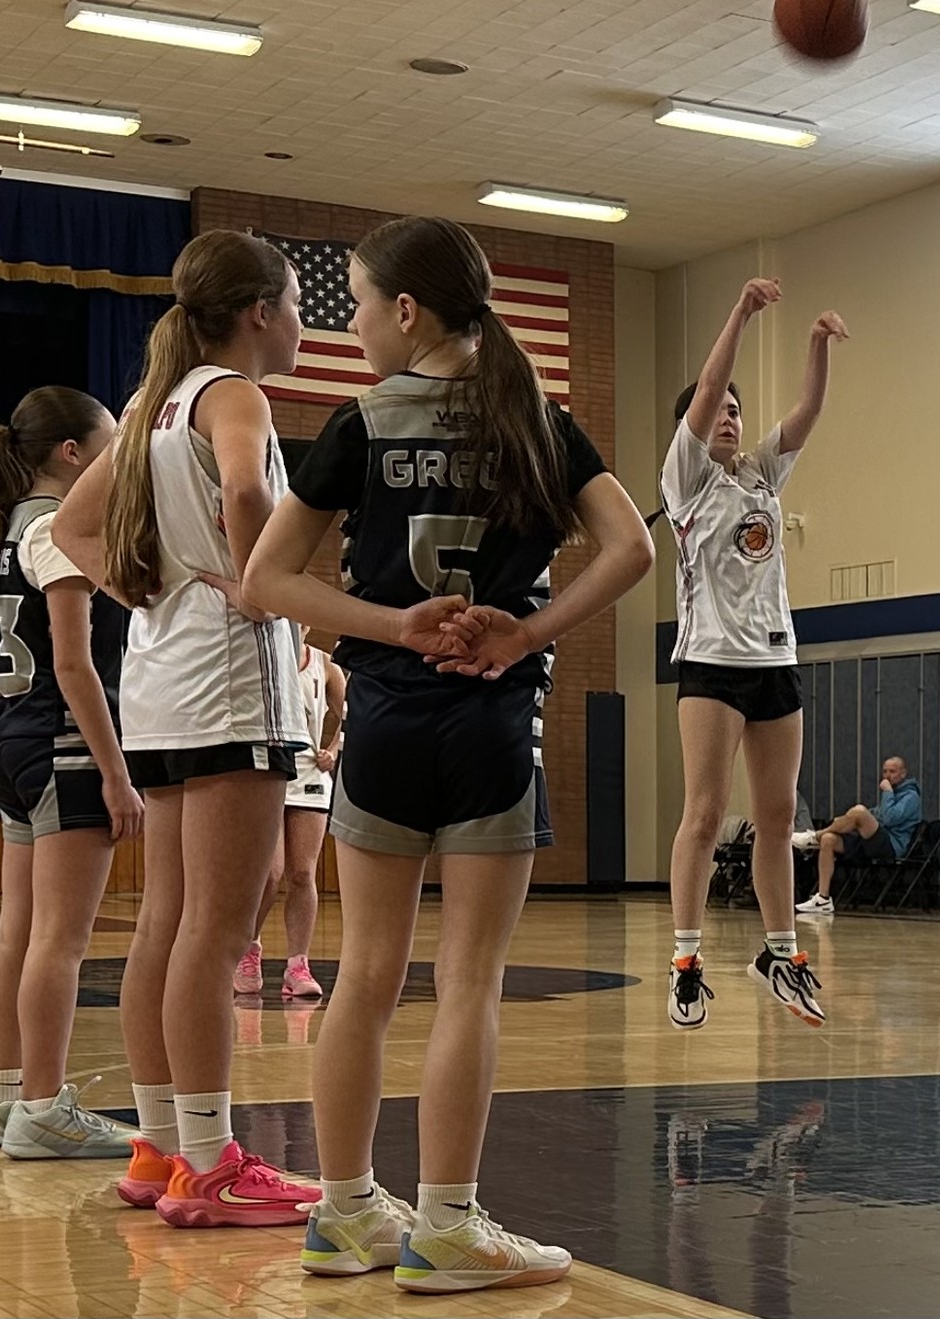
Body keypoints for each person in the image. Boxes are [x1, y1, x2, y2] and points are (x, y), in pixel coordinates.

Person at [241, 215, 652, 1288]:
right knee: (469, 980)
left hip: (382, 720)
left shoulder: (360, 422)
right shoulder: (539, 421)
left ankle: (343, 1215)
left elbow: (265, 581)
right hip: (490, 726)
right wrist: (527, 630)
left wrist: (394, 625)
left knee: (365, 976)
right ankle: (448, 1226)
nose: (356, 325)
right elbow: (632, 548)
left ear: (408, 310)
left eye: (361, 304)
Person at [53, 229, 319, 1224]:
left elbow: (69, 528)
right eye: (297, 306)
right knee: (215, 930)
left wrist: (143, 590)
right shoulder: (233, 393)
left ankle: (161, 1144)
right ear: (259, 313)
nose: (302, 325)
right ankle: (211, 1162)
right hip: (228, 683)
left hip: (159, 684)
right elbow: (247, 489)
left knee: (166, 924)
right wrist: (260, 580)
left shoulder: (148, 403)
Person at [661, 278, 846, 1031]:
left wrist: (816, 345)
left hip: (774, 662)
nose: (730, 417)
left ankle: (780, 954)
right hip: (710, 664)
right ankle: (685, 960)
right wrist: (739, 311)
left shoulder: (762, 474)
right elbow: (708, 387)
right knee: (705, 813)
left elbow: (808, 413)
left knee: (778, 814)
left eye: (739, 410)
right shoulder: (685, 479)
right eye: (720, 411)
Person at [0, 387, 142, 1160]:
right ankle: (43, 1106)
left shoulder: (9, 525)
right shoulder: (58, 527)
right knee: (60, 939)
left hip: (8, 737)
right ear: (73, 453)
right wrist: (116, 771)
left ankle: (2, 1096)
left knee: (17, 929)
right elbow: (74, 663)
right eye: (109, 444)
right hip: (60, 742)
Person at [237, 631, 344, 999]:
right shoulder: (261, 656)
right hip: (269, 769)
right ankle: (248, 947)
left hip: (310, 775)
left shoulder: (325, 664)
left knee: (302, 873)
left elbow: (352, 714)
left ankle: (298, 964)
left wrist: (334, 748)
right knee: (270, 873)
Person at [793, 756, 922, 915]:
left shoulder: (911, 797)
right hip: (870, 841)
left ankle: (814, 837)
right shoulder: (893, 794)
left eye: (892, 771)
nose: (887, 775)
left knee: (859, 811)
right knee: (829, 840)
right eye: (885, 771)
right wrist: (848, 819)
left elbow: (889, 818)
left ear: (903, 773)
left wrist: (887, 792)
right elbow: (877, 813)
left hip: (891, 846)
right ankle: (823, 899)